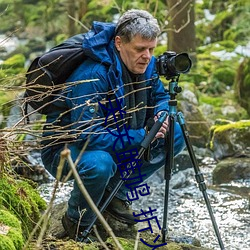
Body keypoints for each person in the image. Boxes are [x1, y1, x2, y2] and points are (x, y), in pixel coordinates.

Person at [41, 9, 185, 241]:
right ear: (119, 43)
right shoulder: (92, 75)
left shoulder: (145, 64)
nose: (147, 56)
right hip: (67, 150)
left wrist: (161, 114)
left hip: (118, 136)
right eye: (140, 49)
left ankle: (116, 192)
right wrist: (141, 135)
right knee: (100, 164)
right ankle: (76, 222)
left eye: (151, 49)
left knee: (175, 132)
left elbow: (159, 96)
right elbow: (87, 135)